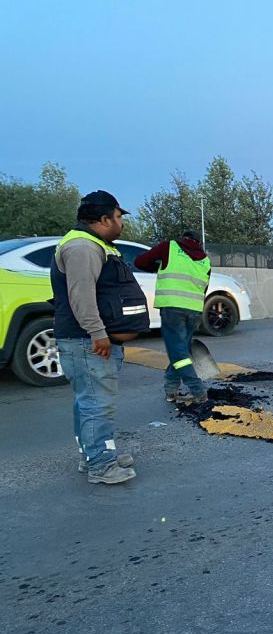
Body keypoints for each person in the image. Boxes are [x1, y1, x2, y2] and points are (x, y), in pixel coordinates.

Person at [51, 191, 150, 484]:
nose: (121, 222)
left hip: (87, 341)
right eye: (119, 217)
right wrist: (98, 334)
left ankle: (94, 455)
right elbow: (81, 295)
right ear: (104, 219)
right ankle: (101, 465)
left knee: (88, 402)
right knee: (96, 404)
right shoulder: (82, 247)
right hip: (87, 342)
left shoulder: (94, 245)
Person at [134, 229, 211, 404]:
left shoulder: (169, 247)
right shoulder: (205, 260)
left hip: (172, 307)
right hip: (194, 309)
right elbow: (204, 288)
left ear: (183, 238)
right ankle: (171, 390)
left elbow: (139, 262)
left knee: (178, 353)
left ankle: (198, 391)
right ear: (199, 243)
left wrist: (158, 267)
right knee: (181, 351)